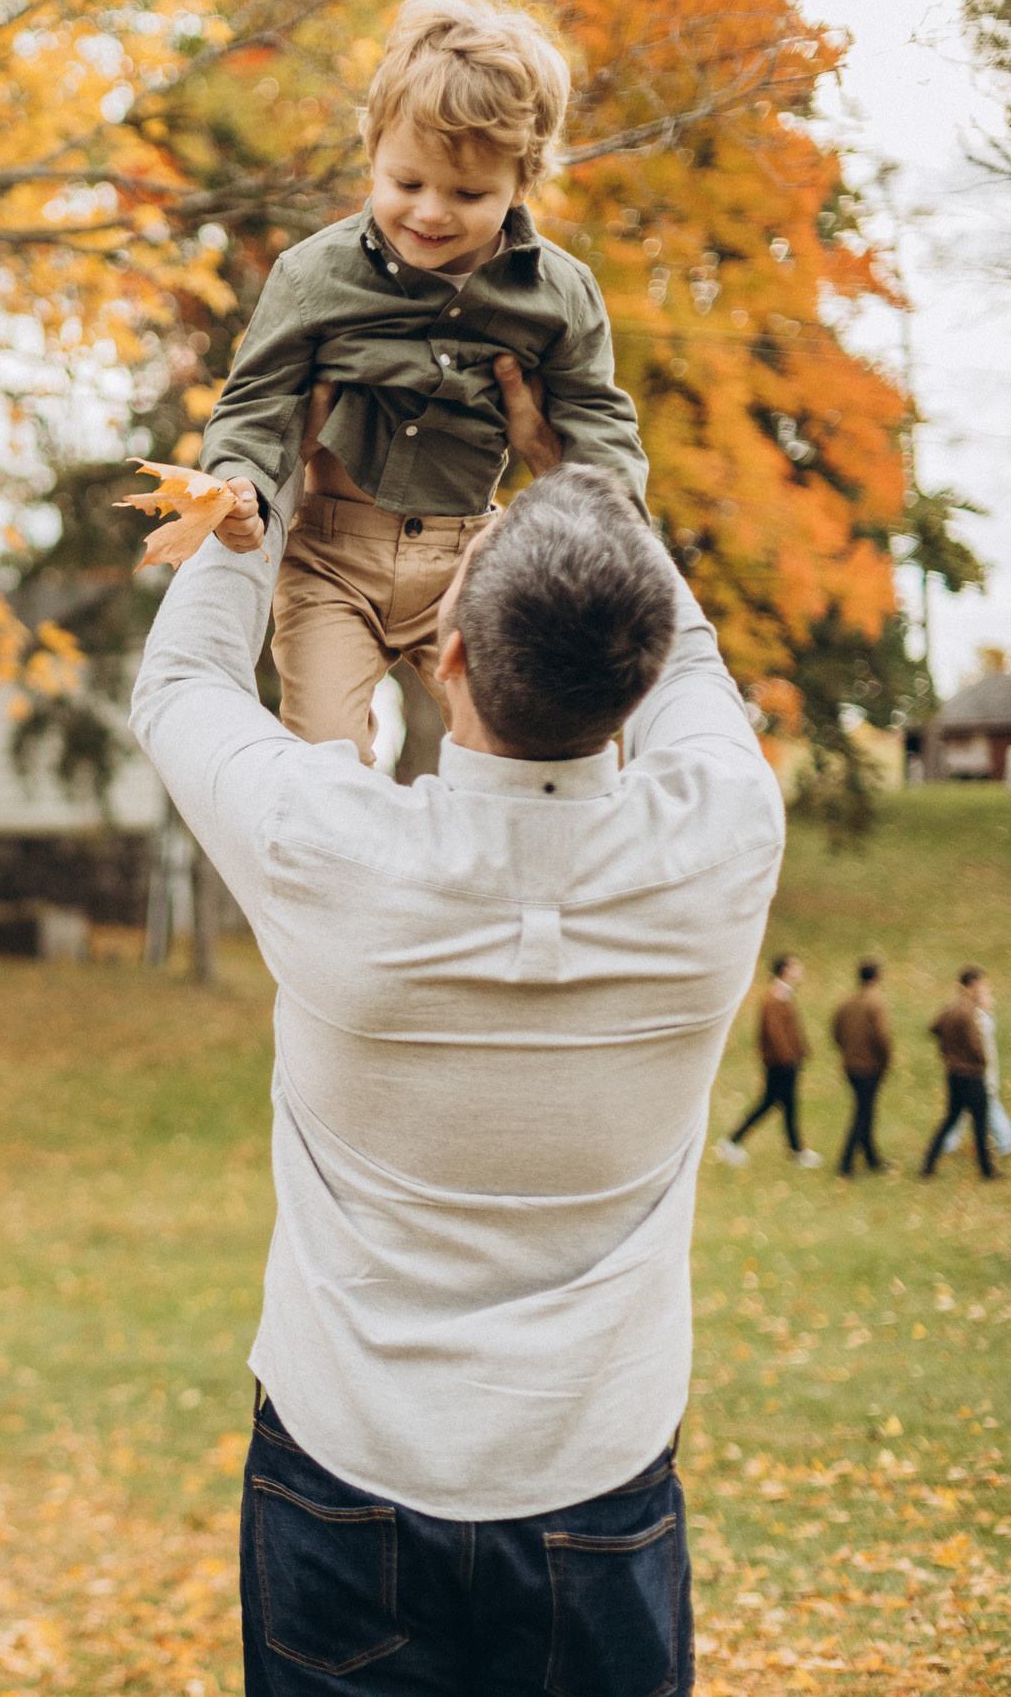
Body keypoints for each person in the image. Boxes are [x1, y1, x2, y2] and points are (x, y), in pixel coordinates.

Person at [132, 444, 781, 1692]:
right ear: (636, 682)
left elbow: (178, 683)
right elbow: (692, 662)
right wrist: (583, 467)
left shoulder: (329, 845)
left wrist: (251, 478)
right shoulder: (723, 840)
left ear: (446, 658)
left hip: (342, 1471)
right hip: (599, 1478)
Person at [201, 0, 647, 763]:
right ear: (373, 151)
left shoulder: (558, 294)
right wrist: (238, 481)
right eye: (406, 183)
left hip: (472, 556)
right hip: (333, 558)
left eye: (469, 194)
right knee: (321, 757)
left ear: (521, 182)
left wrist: (615, 520)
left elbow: (596, 418)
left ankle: (512, 872)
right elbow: (258, 399)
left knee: (531, 746)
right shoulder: (313, 276)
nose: (431, 213)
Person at [719, 955, 818, 1167]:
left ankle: (795, 1149)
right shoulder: (775, 997)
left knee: (781, 1104)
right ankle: (733, 1142)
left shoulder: (783, 995)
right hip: (781, 1063)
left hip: (786, 1061)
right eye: (795, 967)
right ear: (784, 970)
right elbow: (775, 1033)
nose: (799, 971)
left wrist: (801, 1052)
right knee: (773, 1103)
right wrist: (788, 1058)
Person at [921, 967, 1000, 1180]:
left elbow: (933, 1027)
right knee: (980, 1123)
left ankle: (928, 1164)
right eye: (981, 984)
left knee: (950, 1118)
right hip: (972, 1074)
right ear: (972, 984)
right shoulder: (969, 1010)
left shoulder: (951, 1007)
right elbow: (976, 1044)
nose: (982, 988)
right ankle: (988, 1171)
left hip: (953, 1072)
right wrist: (982, 1062)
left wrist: (947, 1049)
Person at [831, 959, 893, 1176]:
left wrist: (846, 1051)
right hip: (870, 1067)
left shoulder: (847, 1002)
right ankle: (845, 1163)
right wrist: (886, 1062)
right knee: (863, 1113)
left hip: (850, 1065)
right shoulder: (877, 1003)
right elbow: (882, 1037)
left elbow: (836, 1032)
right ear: (876, 977)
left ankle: (871, 1158)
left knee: (866, 1109)